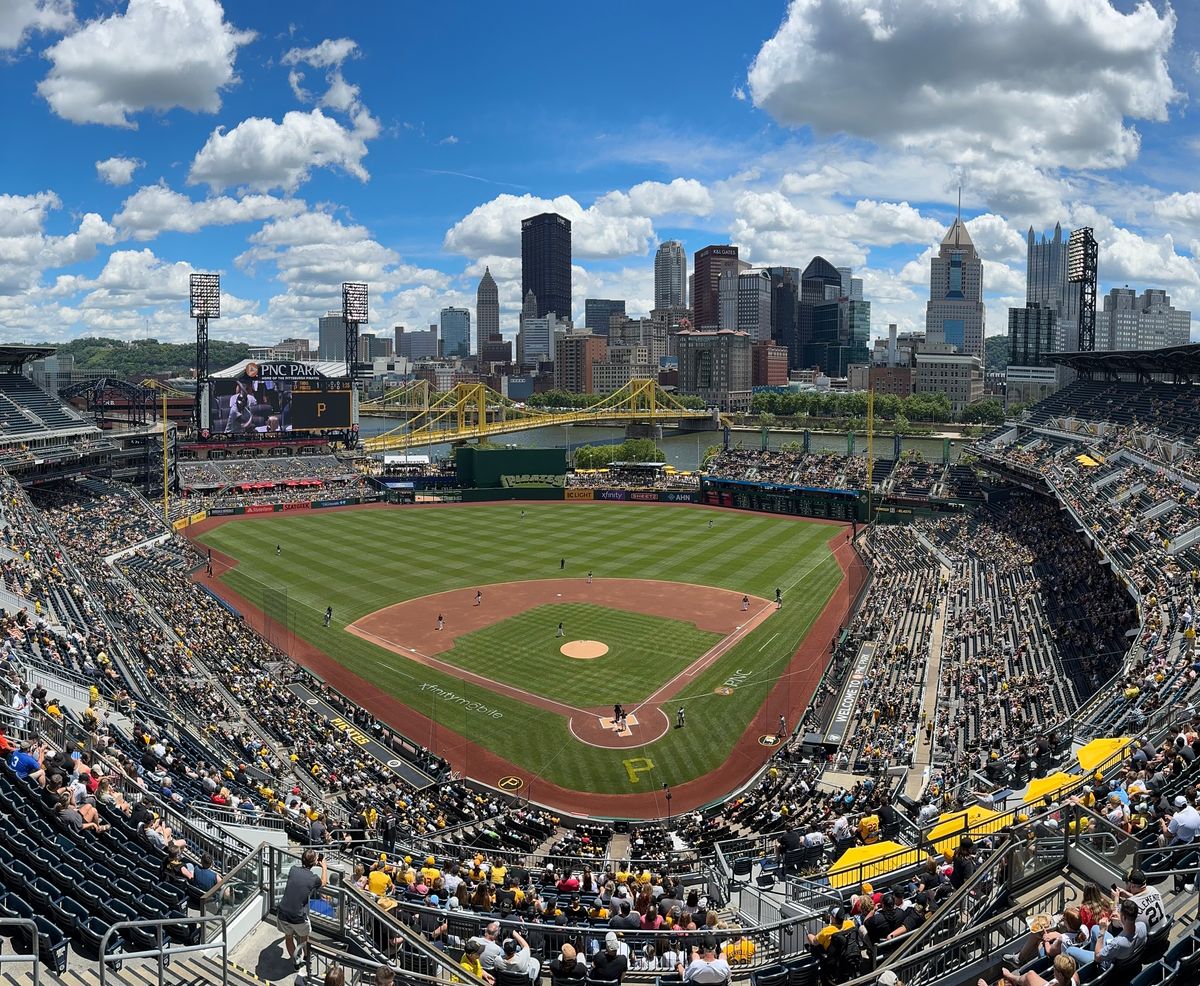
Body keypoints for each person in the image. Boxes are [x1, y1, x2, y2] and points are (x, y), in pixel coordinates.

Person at [278, 849, 328, 970]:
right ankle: (306, 956)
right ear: (315, 862)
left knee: (288, 938)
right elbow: (324, 882)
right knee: (304, 938)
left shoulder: (293, 869)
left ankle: (296, 962)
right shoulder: (313, 878)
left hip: (283, 912)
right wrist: (324, 867)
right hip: (299, 916)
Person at [1095, 898, 1146, 971]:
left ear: (1124, 917)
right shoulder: (1142, 926)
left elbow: (1097, 958)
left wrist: (1102, 931)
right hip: (1128, 956)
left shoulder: (1117, 943)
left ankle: (1095, 969)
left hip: (1109, 963)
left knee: (1072, 950)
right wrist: (1122, 921)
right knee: (1094, 929)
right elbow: (1130, 929)